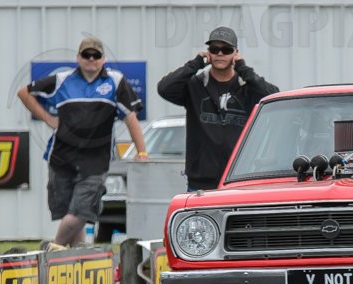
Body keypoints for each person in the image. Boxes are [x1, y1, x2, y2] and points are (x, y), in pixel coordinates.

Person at [17, 36, 148, 250]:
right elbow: (24, 93)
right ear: (78, 57)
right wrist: (48, 118)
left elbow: (131, 118)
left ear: (103, 59)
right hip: (61, 159)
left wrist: (142, 152)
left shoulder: (115, 81)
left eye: (96, 55)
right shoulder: (62, 79)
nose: (91, 59)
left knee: (80, 212)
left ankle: (52, 252)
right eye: (87, 55)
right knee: (70, 214)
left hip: (96, 162)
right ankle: (77, 257)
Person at [157, 26, 279, 191]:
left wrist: (243, 69)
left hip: (239, 181)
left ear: (236, 53)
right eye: (215, 49)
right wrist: (195, 64)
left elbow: (273, 96)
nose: (220, 54)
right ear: (208, 53)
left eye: (226, 49)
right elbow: (164, 88)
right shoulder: (195, 85)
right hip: (200, 184)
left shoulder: (247, 87)